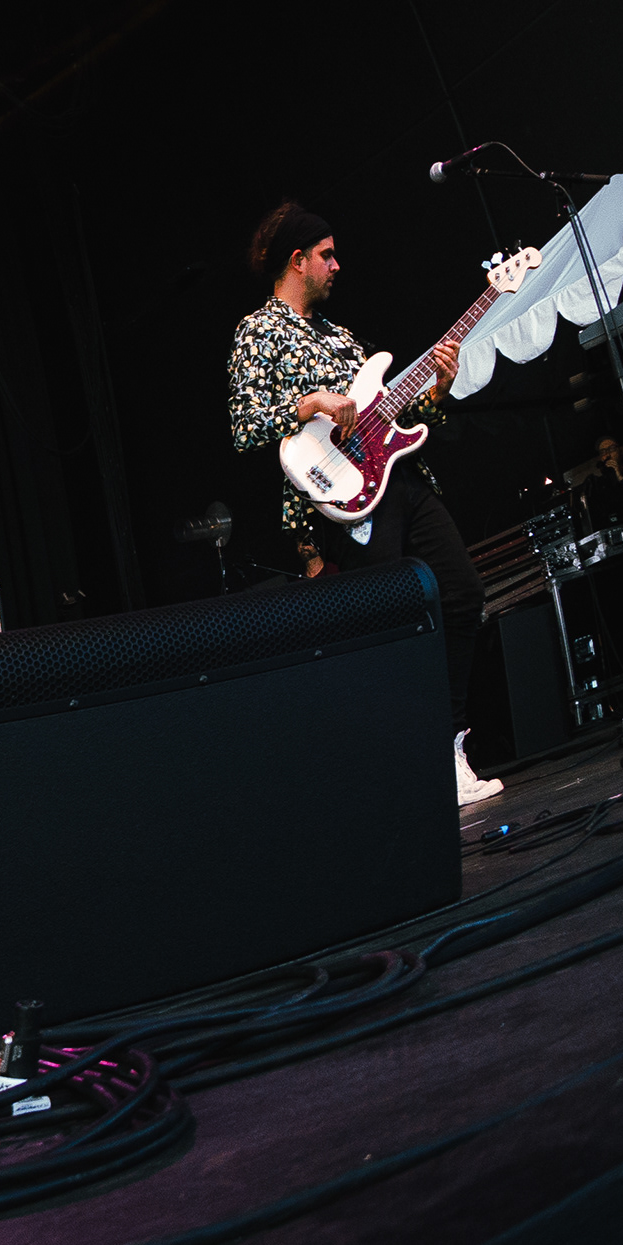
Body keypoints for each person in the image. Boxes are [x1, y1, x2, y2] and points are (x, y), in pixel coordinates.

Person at [225, 201, 500, 806]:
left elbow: (397, 417)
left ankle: (449, 742)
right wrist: (310, 404)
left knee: (462, 593)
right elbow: (245, 426)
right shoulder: (258, 332)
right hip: (339, 502)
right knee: (392, 627)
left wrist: (439, 389)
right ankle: (408, 766)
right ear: (297, 261)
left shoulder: (343, 338)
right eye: (326, 256)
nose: (336, 266)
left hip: (401, 483)